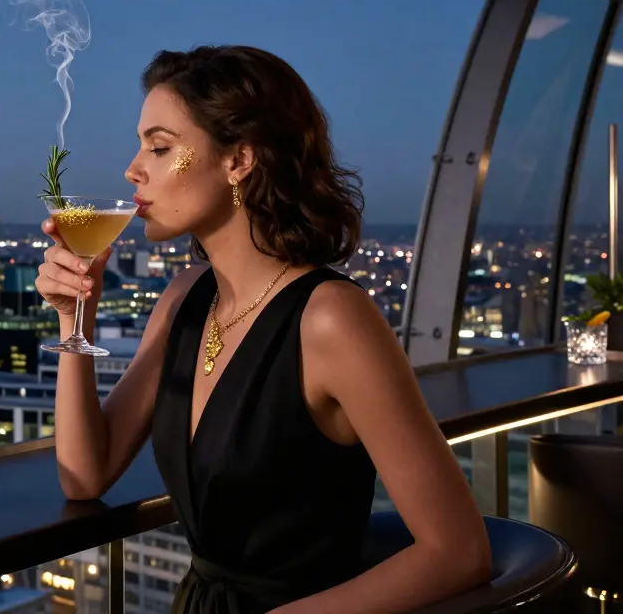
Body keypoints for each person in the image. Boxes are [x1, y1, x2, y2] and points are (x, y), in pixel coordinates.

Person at [36, 45, 491, 613]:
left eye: (160, 147)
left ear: (238, 160)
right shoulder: (183, 301)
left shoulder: (331, 319)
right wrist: (72, 313)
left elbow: (459, 551)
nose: (133, 168)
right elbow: (85, 475)